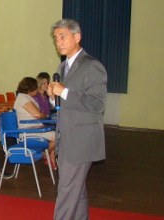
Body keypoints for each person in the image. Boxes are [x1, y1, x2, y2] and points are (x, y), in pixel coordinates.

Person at [48, 19, 107, 220]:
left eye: (63, 37)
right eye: (56, 39)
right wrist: (52, 97)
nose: (59, 42)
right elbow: (66, 104)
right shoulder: (63, 66)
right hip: (67, 139)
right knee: (76, 192)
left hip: (81, 141)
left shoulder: (92, 66)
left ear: (77, 37)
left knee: (66, 194)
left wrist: (64, 91)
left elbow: (97, 104)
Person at [14, 77, 56, 170]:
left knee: (56, 135)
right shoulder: (23, 98)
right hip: (29, 131)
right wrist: (44, 115)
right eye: (36, 87)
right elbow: (37, 114)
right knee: (59, 137)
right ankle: (45, 154)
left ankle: (50, 158)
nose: (37, 89)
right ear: (31, 88)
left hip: (34, 128)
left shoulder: (25, 97)